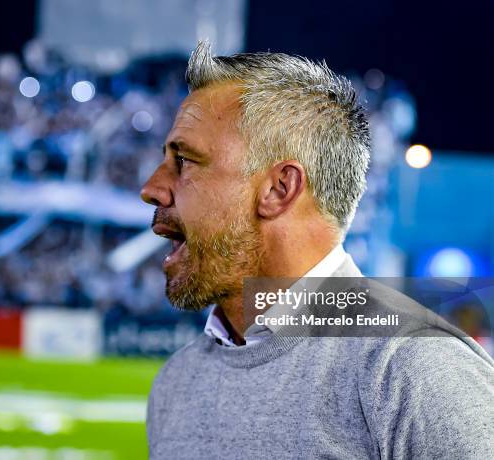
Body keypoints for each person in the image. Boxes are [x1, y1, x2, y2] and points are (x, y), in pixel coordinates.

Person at [140, 42, 494, 459]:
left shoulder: (417, 370)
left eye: (185, 162)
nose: (152, 188)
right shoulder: (177, 383)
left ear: (278, 189)